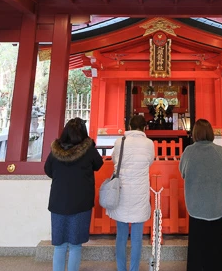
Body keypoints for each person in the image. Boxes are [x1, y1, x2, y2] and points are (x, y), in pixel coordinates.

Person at [44, 118, 103, 271]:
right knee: (76, 246)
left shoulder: (56, 151)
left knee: (60, 246)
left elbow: (48, 170)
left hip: (58, 202)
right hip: (81, 203)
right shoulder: (88, 149)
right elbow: (99, 164)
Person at [179, 119, 222, 271]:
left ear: (195, 133)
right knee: (216, 243)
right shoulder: (220, 151)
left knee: (197, 243)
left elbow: (183, 173)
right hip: (216, 204)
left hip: (196, 205)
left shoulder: (189, 151)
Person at [108, 114, 155, 271]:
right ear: (144, 128)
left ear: (129, 127)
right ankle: (134, 269)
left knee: (121, 236)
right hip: (139, 193)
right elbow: (150, 161)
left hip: (121, 192)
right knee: (137, 237)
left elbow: (115, 160)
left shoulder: (120, 141)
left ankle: (121, 269)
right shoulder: (149, 143)